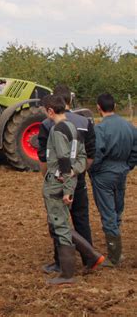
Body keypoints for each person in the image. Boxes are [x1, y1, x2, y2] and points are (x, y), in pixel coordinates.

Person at [38, 85, 104, 274]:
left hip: (59, 181)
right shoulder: (83, 122)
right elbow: (89, 153)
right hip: (78, 179)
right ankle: (88, 260)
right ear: (69, 100)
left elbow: (45, 156)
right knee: (81, 219)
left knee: (58, 222)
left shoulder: (49, 125)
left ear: (53, 106)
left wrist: (51, 178)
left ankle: (62, 263)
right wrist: (78, 172)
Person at [41, 95, 87, 285]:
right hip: (70, 182)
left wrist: (67, 189)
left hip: (57, 185)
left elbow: (64, 161)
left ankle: (67, 274)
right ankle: (90, 256)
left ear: (50, 111)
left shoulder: (57, 131)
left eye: (45, 111)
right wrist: (73, 179)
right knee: (62, 224)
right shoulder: (74, 128)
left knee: (60, 225)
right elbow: (81, 158)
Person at [89, 93, 137, 267]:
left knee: (108, 213)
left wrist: (94, 170)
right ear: (115, 106)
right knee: (117, 210)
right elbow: (135, 151)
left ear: (98, 108)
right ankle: (117, 250)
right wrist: (127, 166)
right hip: (121, 172)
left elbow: (97, 154)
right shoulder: (129, 126)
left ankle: (114, 257)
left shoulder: (100, 129)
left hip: (104, 175)